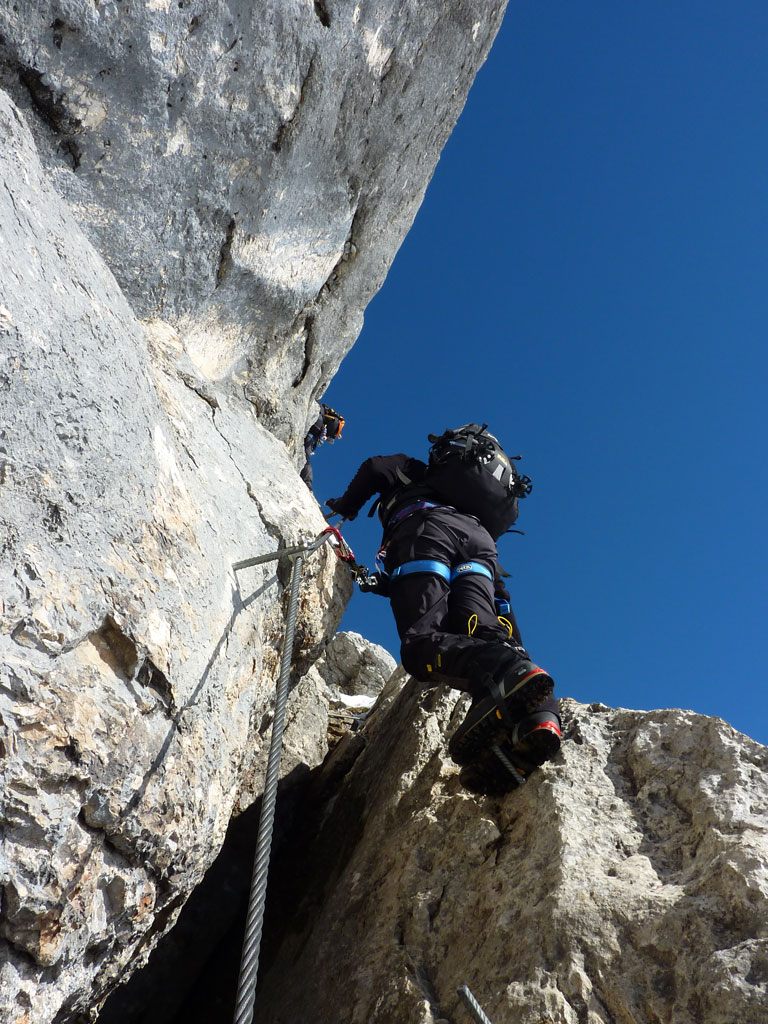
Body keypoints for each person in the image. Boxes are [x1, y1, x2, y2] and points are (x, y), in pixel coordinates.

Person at [325, 424, 561, 783]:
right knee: (487, 635)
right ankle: (536, 719)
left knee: (422, 645)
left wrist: (346, 507)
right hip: (482, 551)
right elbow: (493, 600)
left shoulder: (411, 470)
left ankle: (506, 673)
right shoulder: (476, 507)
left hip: (427, 530)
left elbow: (375, 467)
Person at [300, 403, 345, 492]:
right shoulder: (319, 426)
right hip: (314, 430)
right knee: (306, 459)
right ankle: (307, 483)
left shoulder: (320, 412)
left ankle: (307, 482)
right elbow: (306, 455)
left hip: (314, 425)